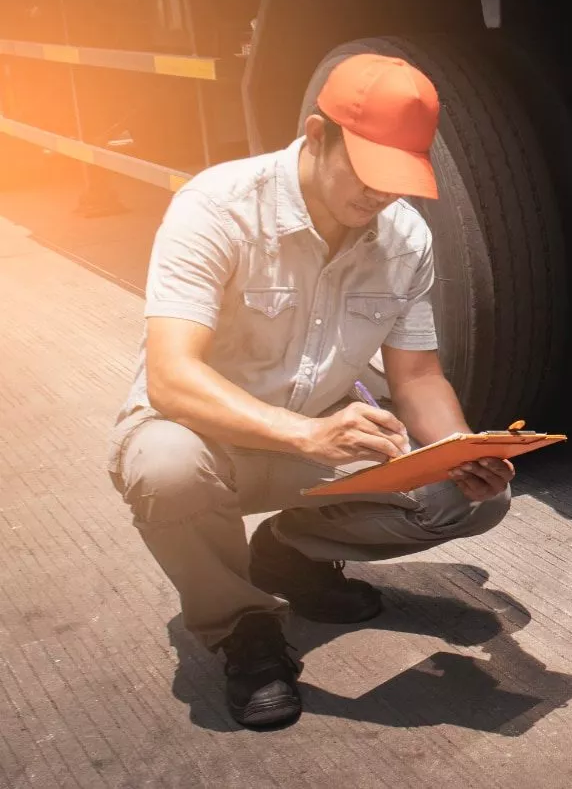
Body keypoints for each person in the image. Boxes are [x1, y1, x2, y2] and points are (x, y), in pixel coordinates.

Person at [106, 54, 515, 728]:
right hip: (207, 440)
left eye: (397, 176)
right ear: (317, 133)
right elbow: (171, 377)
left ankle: (290, 554)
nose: (379, 196)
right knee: (165, 470)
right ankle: (242, 626)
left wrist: (458, 451)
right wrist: (304, 434)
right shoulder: (217, 207)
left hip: (316, 441)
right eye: (366, 171)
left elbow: (416, 377)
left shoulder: (403, 236)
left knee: (475, 499)